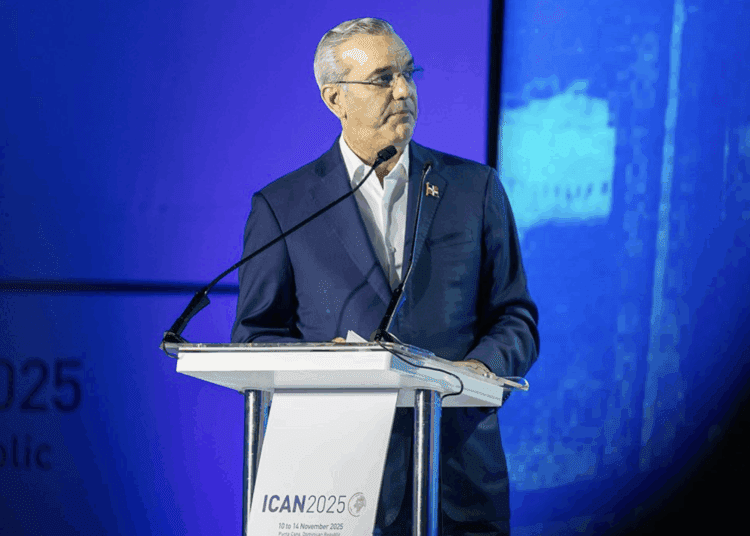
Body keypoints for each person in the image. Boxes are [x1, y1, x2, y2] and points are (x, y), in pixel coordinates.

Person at [232, 17, 539, 536]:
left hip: (456, 478)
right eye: (382, 78)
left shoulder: (475, 188)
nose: (403, 91)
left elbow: (515, 317)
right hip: (331, 487)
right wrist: (318, 360)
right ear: (335, 98)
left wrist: (478, 369)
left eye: (408, 74)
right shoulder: (284, 205)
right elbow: (254, 336)